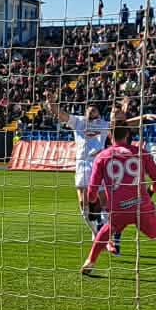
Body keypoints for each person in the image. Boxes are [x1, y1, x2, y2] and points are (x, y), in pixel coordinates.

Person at [79, 120, 156, 283]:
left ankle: (90, 262)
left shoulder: (102, 156)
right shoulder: (141, 153)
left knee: (106, 230)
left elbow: (92, 190)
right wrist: (149, 193)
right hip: (141, 206)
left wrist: (94, 205)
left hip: (118, 208)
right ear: (128, 134)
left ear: (109, 135)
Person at [47, 98, 116, 253]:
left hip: (98, 164)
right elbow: (61, 114)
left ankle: (106, 236)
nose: (91, 111)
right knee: (82, 203)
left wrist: (142, 119)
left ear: (98, 112)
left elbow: (123, 126)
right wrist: (52, 104)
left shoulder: (104, 125)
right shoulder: (78, 122)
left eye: (94, 109)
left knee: (104, 201)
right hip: (82, 165)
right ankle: (96, 233)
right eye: (89, 109)